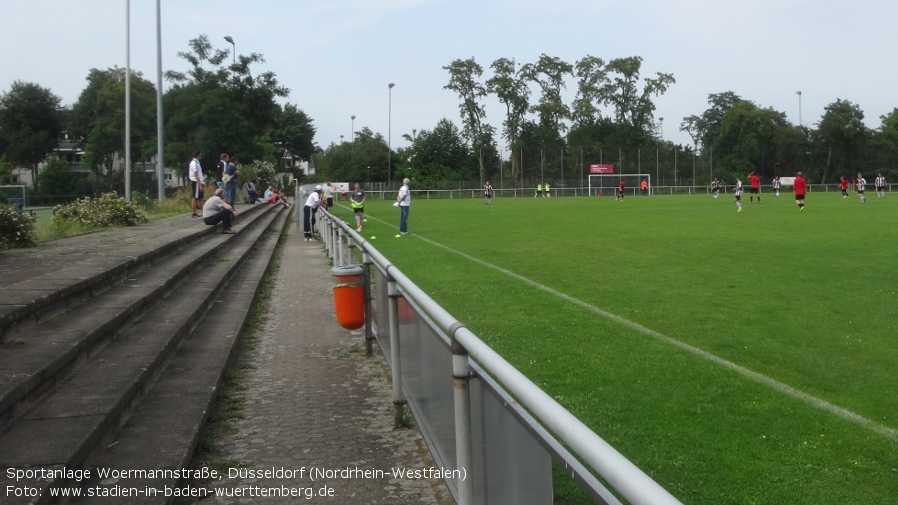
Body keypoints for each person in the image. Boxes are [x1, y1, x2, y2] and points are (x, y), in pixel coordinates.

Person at [188, 151, 204, 218]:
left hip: (199, 182)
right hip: (196, 182)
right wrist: (199, 185)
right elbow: (196, 174)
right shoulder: (194, 163)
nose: (201, 156)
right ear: (197, 155)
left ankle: (204, 212)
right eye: (200, 155)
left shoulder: (197, 163)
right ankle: (194, 213)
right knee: (195, 198)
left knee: (200, 198)